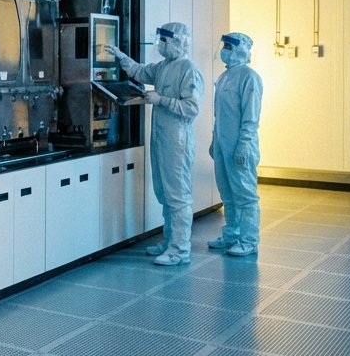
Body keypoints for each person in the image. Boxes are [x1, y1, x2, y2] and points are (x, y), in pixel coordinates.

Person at [106, 22, 203, 266]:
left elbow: (192, 108)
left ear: (177, 42)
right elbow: (139, 71)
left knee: (178, 195)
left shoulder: (188, 69)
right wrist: (120, 56)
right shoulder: (163, 67)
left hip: (177, 143)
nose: (159, 44)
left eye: (163, 40)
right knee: (164, 193)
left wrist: (161, 100)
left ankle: (180, 250)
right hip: (161, 139)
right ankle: (170, 240)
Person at [208, 32, 263, 256]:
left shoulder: (249, 77)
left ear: (241, 50)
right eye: (225, 46)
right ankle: (231, 234)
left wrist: (243, 144)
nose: (224, 50)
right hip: (223, 145)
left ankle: (249, 240)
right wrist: (215, 140)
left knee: (246, 195)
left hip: (240, 146)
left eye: (229, 47)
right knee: (227, 193)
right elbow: (219, 114)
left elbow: (251, 116)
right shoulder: (224, 77)